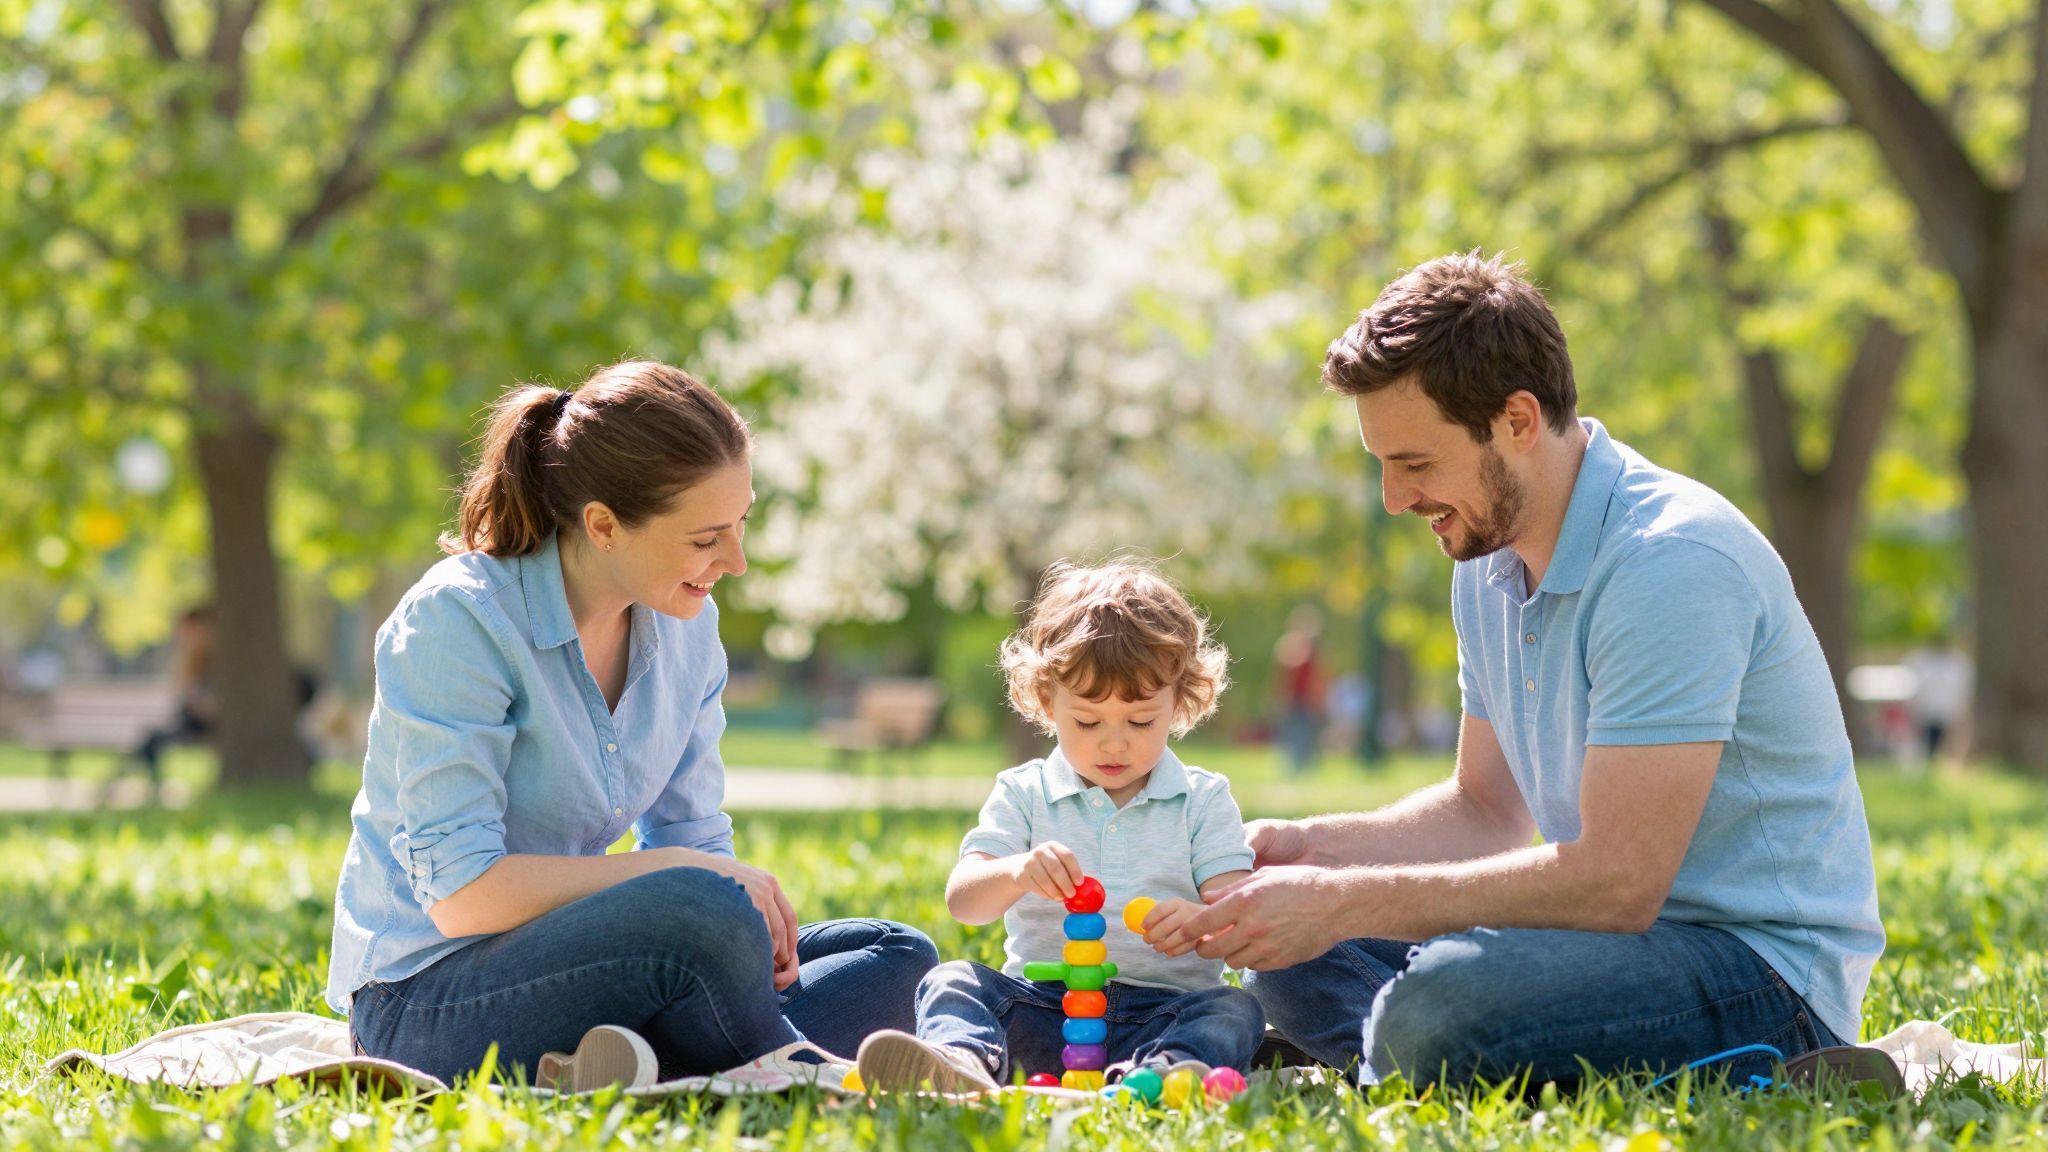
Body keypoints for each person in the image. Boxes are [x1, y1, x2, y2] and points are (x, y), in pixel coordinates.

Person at [1147, 253, 1883, 1088]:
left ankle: (1779, 1060)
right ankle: (1408, 1059)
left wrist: (1344, 900)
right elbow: (1487, 809)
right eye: (1383, 464)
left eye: (1415, 464)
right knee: (1282, 945)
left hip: (1756, 970)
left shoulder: (1669, 562)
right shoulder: (1485, 561)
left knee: (1435, 1008)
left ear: (1519, 420)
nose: (1393, 499)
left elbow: (1617, 883)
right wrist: (1306, 853)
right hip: (1600, 942)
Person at [325, 361, 938, 1090]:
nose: (735, 561)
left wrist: (734, 918)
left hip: (593, 970)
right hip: (427, 1005)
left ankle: (638, 1063)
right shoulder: (458, 623)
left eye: (740, 525)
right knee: (699, 907)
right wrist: (693, 886)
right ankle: (802, 1073)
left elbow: (692, 840)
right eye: (706, 538)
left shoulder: (686, 629)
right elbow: (464, 898)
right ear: (604, 525)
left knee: (895, 956)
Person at [853, 560, 1265, 1093]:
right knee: (951, 979)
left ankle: (1165, 1073)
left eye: (1141, 721)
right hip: (1044, 1006)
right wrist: (1018, 872)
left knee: (1235, 1008)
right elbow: (964, 901)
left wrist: (1200, 919)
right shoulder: (1024, 792)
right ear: (1048, 701)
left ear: (1179, 701)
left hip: (1165, 1011)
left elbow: (1239, 910)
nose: (1114, 743)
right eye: (1088, 721)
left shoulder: (1203, 799)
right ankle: (963, 1063)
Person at [131, 606, 218, 801]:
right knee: (149, 741)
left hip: (204, 725)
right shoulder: (190, 660)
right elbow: (182, 693)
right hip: (190, 722)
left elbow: (206, 704)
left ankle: (154, 792)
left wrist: (199, 703)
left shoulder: (213, 661)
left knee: (151, 742)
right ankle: (155, 790)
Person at [1271, 605, 1326, 776]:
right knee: (1293, 734)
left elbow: (1321, 676)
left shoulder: (1318, 650)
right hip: (1294, 700)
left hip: (1310, 701)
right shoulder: (1289, 646)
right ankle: (1293, 768)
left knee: (1309, 735)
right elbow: (1282, 674)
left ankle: (1307, 769)